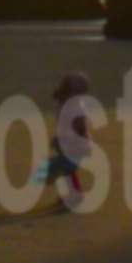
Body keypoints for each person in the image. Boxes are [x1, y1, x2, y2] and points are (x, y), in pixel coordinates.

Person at [38, 70, 95, 212]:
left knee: (64, 170)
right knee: (66, 171)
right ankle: (71, 196)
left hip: (76, 145)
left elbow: (79, 127)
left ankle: (74, 197)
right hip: (70, 143)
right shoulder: (65, 101)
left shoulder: (75, 105)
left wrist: (67, 141)